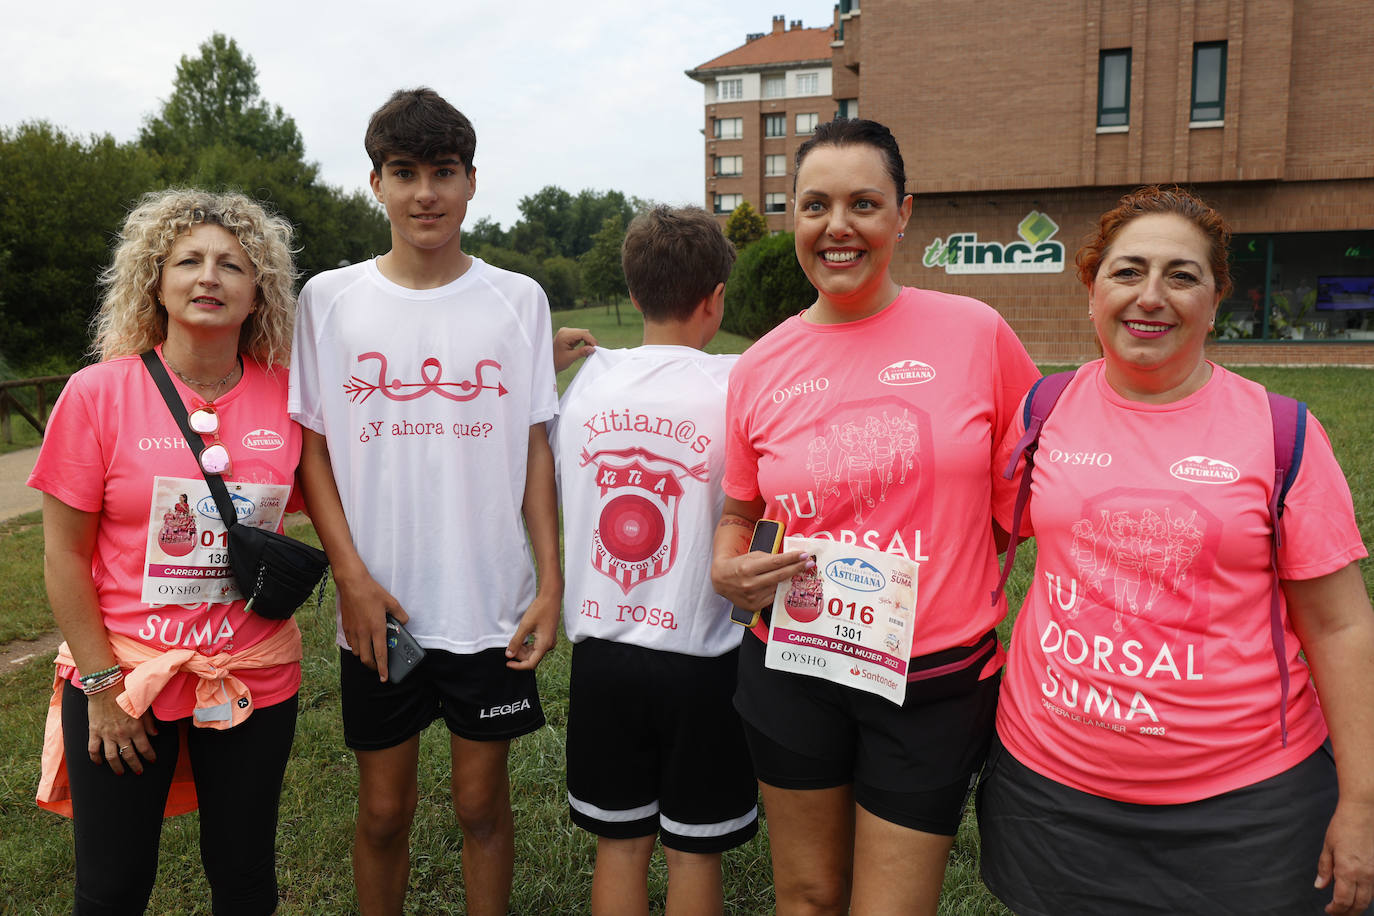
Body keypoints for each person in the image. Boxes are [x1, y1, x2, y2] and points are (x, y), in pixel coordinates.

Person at [977, 185, 1374, 916]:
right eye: (1127, 272)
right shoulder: (1044, 411)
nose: (1150, 296)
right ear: (1092, 289)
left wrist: (1363, 800)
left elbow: (1341, 626)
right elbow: (980, 537)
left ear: (1217, 299)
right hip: (1051, 784)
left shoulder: (1280, 432)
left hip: (1243, 802)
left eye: (1181, 275)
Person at [710, 118, 1040, 914]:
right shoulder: (760, 364)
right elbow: (746, 512)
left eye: (864, 202)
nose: (838, 226)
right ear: (793, 217)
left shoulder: (975, 335)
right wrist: (730, 565)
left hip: (931, 682)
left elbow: (1033, 495)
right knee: (809, 895)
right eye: (815, 205)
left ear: (903, 214)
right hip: (795, 663)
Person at [288, 88, 561, 916]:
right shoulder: (328, 300)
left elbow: (534, 450)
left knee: (481, 806)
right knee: (382, 812)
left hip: (488, 605)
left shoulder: (519, 301)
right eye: (404, 173)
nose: (425, 194)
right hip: (383, 609)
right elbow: (314, 450)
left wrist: (549, 585)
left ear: (472, 181)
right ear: (375, 184)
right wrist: (353, 580)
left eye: (443, 172)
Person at [31, 188, 303, 915]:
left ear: (259, 293)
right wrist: (102, 689)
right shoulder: (96, 394)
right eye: (188, 260)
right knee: (114, 887)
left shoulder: (292, 398)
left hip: (251, 676)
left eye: (232, 265)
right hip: (124, 678)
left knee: (245, 881)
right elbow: (62, 557)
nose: (208, 276)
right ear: (156, 280)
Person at [552, 205, 757, 915]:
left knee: (620, 844)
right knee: (694, 848)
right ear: (717, 298)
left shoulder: (585, 385)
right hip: (704, 657)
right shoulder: (738, 383)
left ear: (633, 294)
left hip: (603, 656)